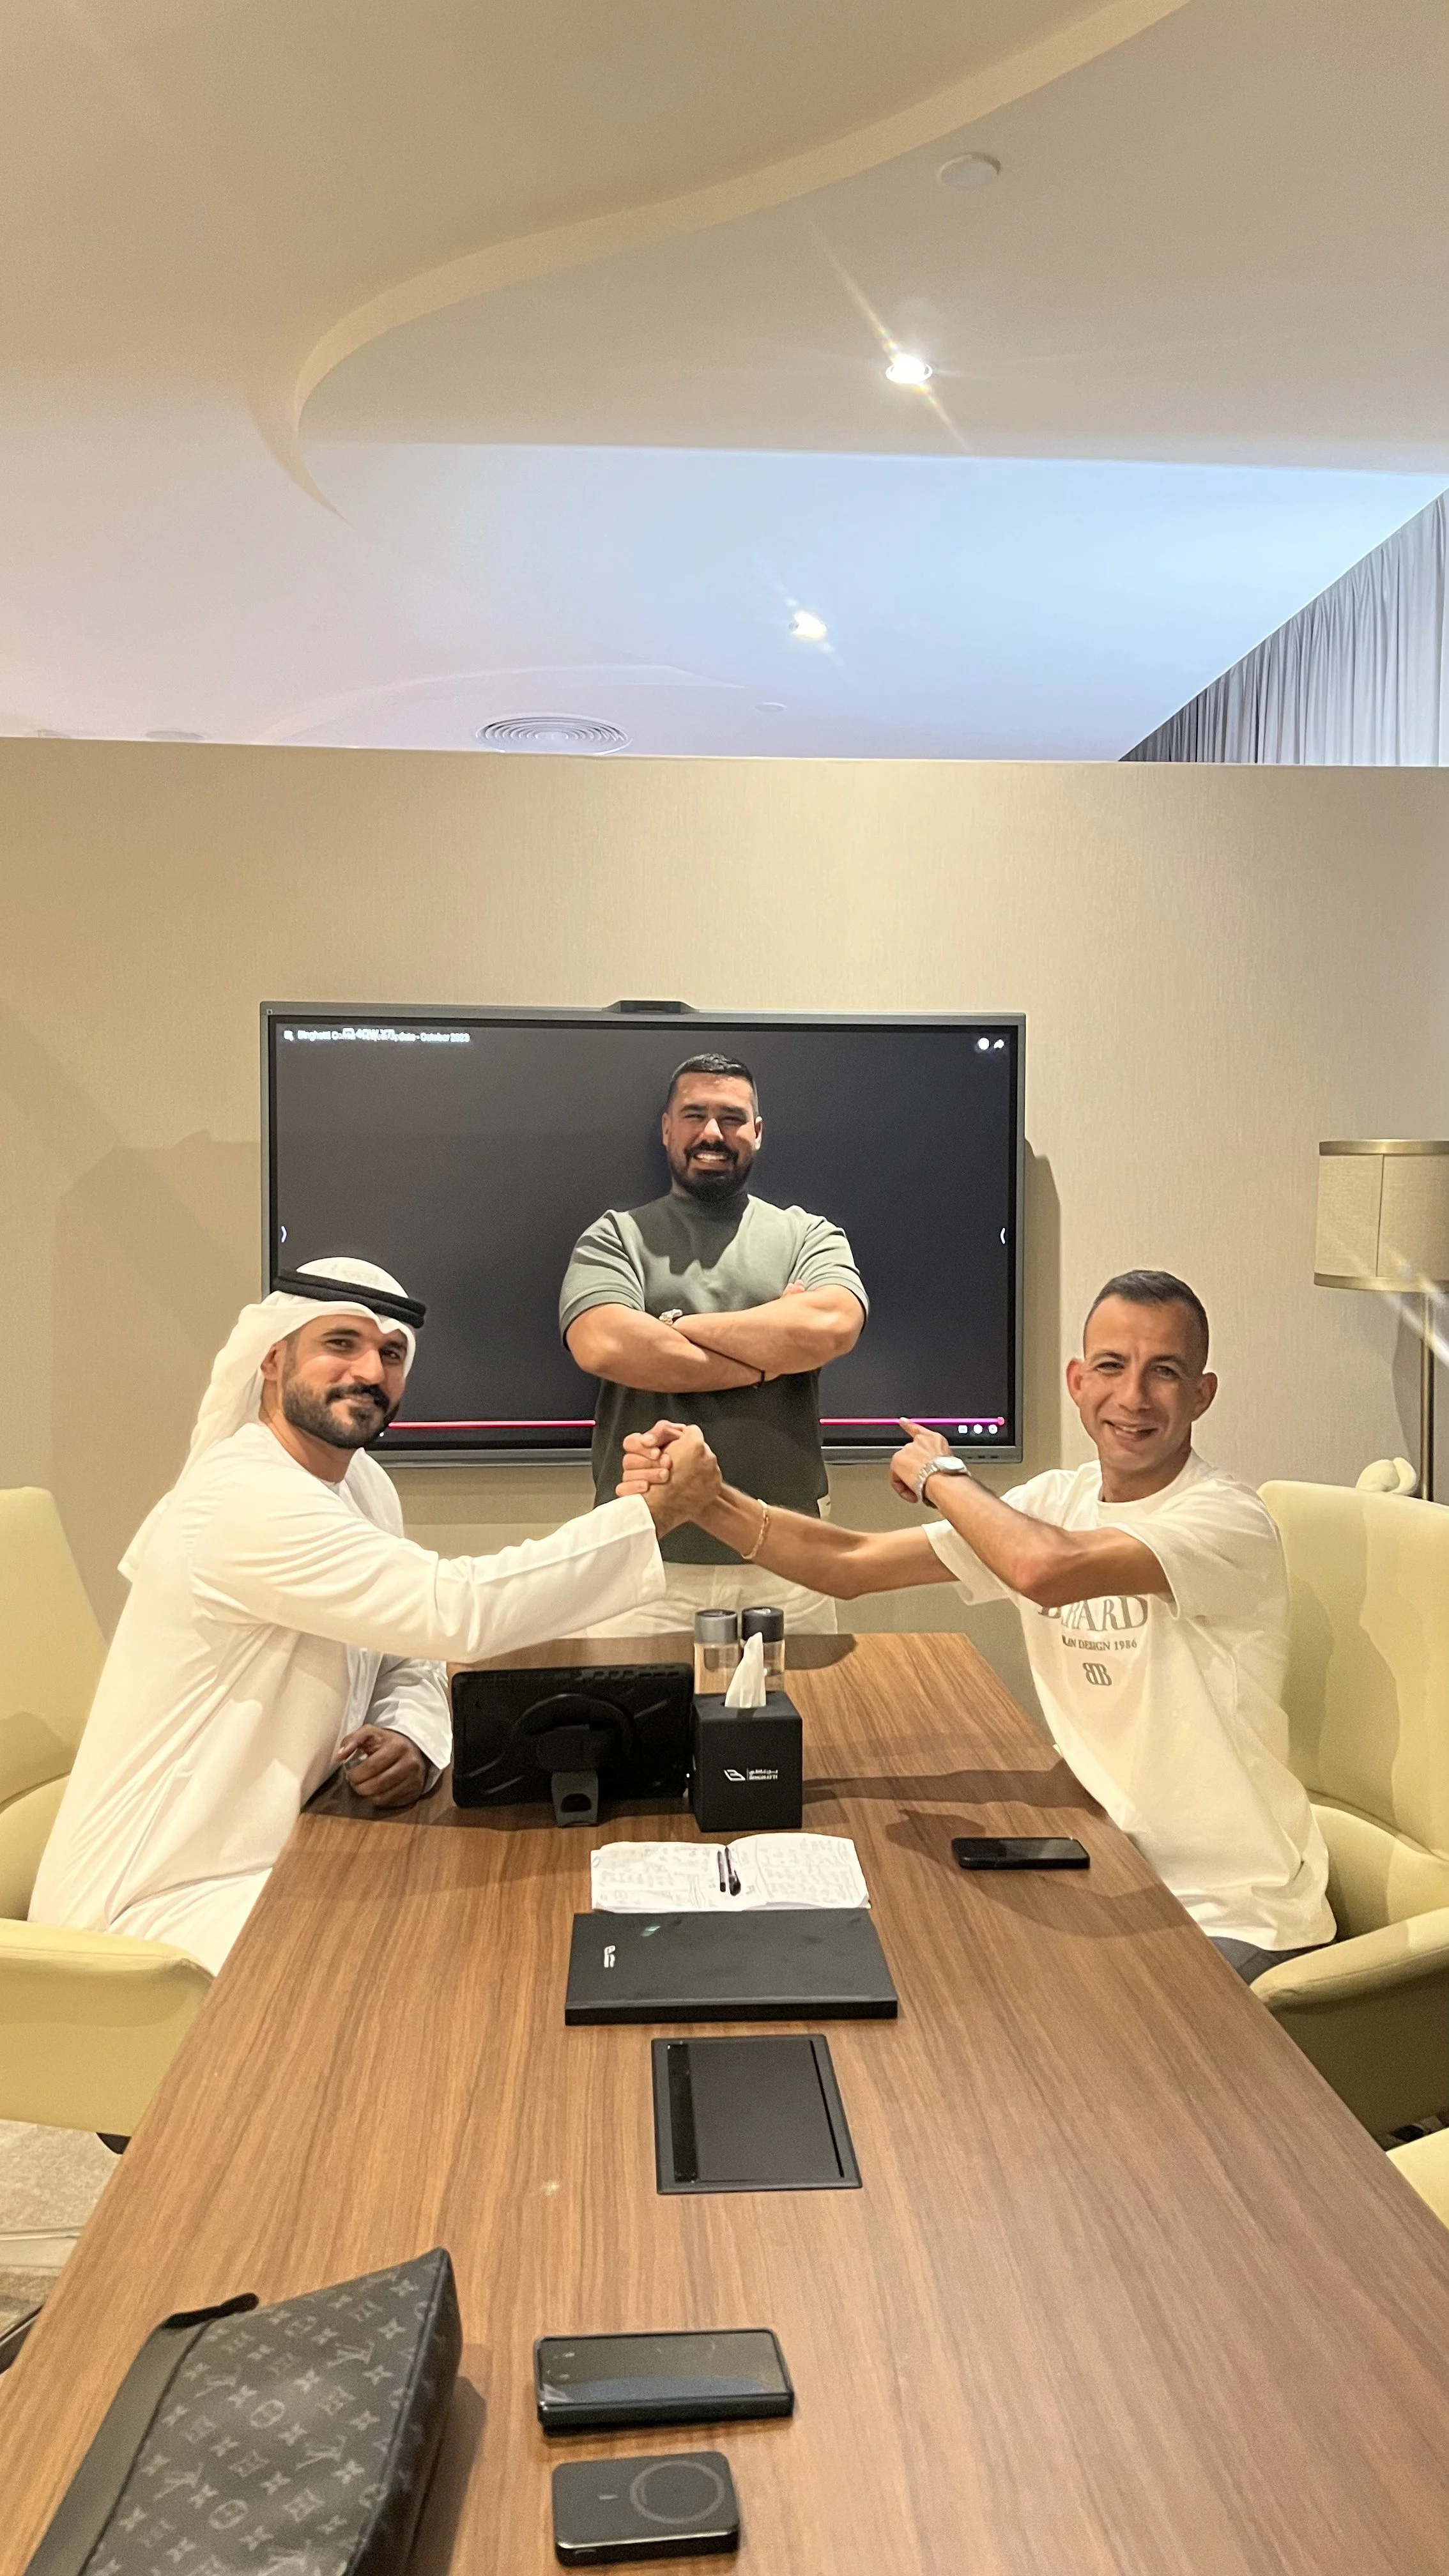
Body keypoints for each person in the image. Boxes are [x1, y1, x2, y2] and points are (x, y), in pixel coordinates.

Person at [619, 1269, 1335, 1984]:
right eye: (1113, 1367)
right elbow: (855, 1564)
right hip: (1110, 1865)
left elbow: (1042, 1568)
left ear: (1203, 1394)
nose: (1134, 1397)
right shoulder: (1062, 1498)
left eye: (1166, 1372)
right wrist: (703, 1501)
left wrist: (941, 1477)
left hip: (1234, 1911)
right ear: (1078, 1381)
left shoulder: (1226, 1520)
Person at [29, 1256, 719, 1974]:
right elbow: (456, 1610)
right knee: (447, 1965)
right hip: (154, 1909)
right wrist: (652, 1514)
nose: (369, 1371)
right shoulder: (242, 1499)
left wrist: (410, 1734)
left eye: (391, 1354)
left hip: (290, 1852)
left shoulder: (360, 1484)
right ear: (272, 1359)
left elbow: (408, 1654)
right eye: (341, 1343)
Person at [559, 1052, 867, 1636]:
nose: (711, 1133)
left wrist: (672, 1328)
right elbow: (604, 1345)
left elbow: (832, 1327)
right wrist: (768, 1353)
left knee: (808, 1727)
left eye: (731, 1117)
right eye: (694, 1114)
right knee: (636, 1731)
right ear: (667, 1128)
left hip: (789, 1557)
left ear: (756, 1131)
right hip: (644, 1558)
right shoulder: (615, 1236)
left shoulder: (808, 1234)